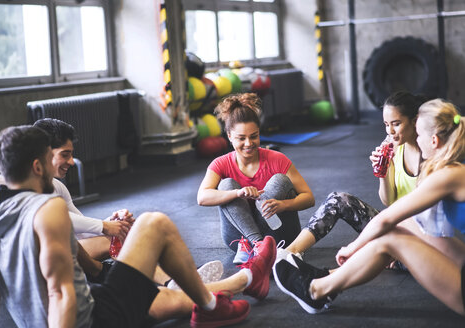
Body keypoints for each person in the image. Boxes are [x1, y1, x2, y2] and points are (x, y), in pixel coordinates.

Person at [0, 125, 277, 327]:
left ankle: (243, 281)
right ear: (38, 167)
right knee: (153, 223)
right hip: (95, 318)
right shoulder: (47, 207)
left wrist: (102, 270)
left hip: (88, 302)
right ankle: (214, 305)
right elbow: (61, 294)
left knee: (167, 301)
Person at [274, 99, 465, 315]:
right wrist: (382, 174)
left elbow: (386, 219)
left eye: (419, 135)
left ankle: (316, 290)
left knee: (390, 237)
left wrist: (352, 248)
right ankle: (327, 278)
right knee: (400, 225)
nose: (417, 140)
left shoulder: (448, 175)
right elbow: (402, 213)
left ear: (434, 140)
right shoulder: (453, 168)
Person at [33, 118, 223, 286]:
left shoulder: (57, 186)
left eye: (71, 154)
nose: (72, 162)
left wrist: (112, 223)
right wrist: (105, 226)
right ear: (44, 153)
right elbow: (57, 219)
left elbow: (81, 229)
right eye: (65, 155)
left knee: (124, 232)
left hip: (72, 251)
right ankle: (175, 279)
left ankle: (176, 277)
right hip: (48, 262)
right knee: (128, 238)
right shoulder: (31, 189)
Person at [278, 91, 433, 268]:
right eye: (386, 124)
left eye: (396, 124)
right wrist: (383, 171)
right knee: (338, 199)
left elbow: (426, 211)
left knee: (396, 254)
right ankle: (289, 253)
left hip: (421, 235)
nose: (390, 131)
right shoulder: (393, 146)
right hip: (394, 224)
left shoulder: (430, 154)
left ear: (414, 122)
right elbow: (389, 200)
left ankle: (393, 255)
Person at [197, 93, 315, 264]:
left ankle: (260, 247)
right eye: (241, 138)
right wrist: (238, 193)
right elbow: (202, 198)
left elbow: (309, 198)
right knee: (226, 185)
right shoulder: (220, 164)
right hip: (240, 240)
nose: (248, 143)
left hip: (279, 234)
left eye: (254, 136)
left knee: (279, 181)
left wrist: (283, 205)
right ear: (229, 136)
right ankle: (258, 245)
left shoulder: (277, 159)